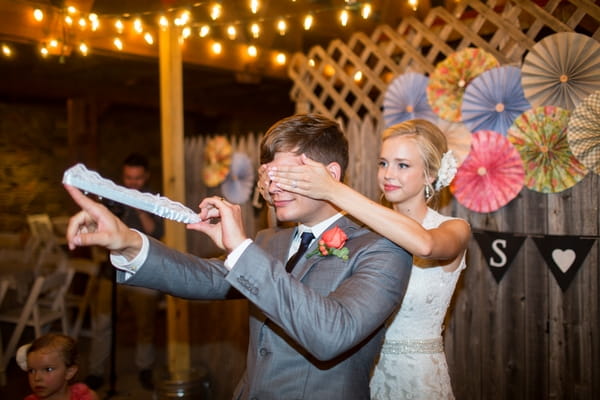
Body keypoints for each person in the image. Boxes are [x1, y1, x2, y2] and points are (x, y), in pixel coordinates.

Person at [64, 113, 413, 399]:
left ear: (330, 176)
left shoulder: (382, 248)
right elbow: (204, 277)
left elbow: (332, 335)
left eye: (284, 176)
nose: (272, 188)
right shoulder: (270, 239)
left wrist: (241, 249)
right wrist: (125, 241)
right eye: (268, 177)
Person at [262, 118, 471, 399]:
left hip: (417, 378)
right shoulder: (361, 233)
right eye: (383, 163)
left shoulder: (454, 228)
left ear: (430, 174)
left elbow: (425, 245)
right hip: (355, 372)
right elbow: (292, 253)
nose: (388, 174)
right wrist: (276, 198)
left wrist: (332, 189)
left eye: (402, 165)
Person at [85, 152, 164, 391]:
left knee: (145, 327)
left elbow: (156, 232)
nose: (133, 183)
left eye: (138, 178)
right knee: (102, 324)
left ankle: (144, 368)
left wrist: (139, 207)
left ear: (146, 177)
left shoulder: (154, 200)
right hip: (111, 271)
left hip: (143, 272)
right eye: (129, 178)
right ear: (123, 175)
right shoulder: (113, 195)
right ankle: (97, 372)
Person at [18, 333, 99, 400]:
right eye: (31, 370)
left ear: (69, 372)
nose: (37, 378)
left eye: (48, 369)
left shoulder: (85, 397)